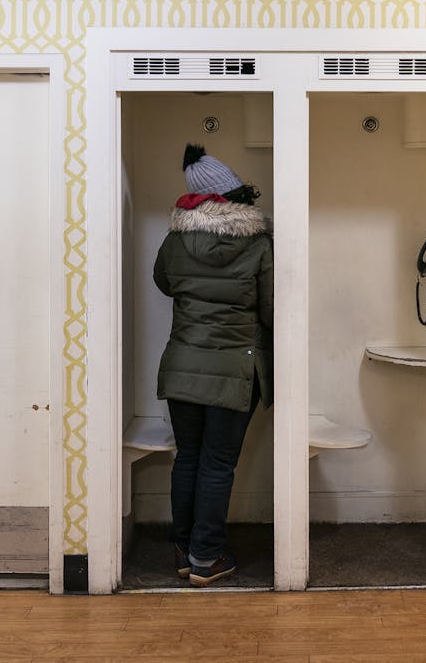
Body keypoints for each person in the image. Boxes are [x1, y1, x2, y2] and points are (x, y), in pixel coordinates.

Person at [153, 143, 272, 587]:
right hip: (234, 372)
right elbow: (270, 308)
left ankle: (186, 551)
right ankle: (207, 558)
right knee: (218, 464)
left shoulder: (175, 241)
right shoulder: (258, 243)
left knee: (188, 457)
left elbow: (164, 284)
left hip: (182, 364)